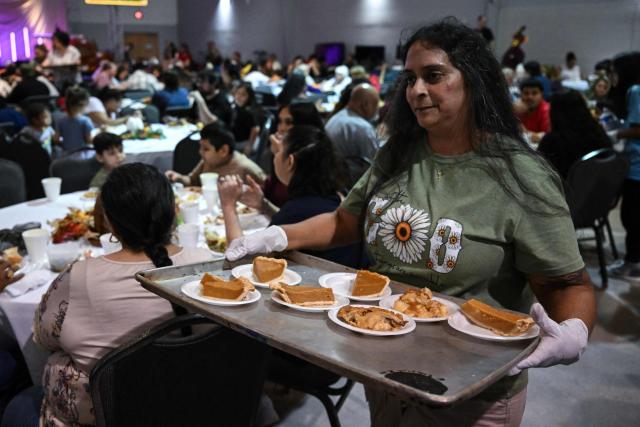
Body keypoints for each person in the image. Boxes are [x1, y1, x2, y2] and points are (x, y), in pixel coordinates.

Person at [225, 18, 596, 426]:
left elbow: (567, 283)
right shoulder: (398, 154)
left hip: (471, 391)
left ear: (474, 80)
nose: (417, 91)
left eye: (434, 76)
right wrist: (275, 235)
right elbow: (344, 221)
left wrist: (574, 331)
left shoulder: (520, 174)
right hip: (384, 369)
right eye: (410, 79)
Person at [4, 163, 214, 426]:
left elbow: (43, 337)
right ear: (175, 211)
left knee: (19, 404)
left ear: (110, 223)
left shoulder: (80, 276)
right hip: (194, 404)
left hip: (113, 413)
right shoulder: (207, 264)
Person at [219, 125, 359, 267]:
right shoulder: (337, 193)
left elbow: (239, 259)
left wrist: (228, 204)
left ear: (290, 162)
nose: (275, 156)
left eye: (278, 151)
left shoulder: (298, 208)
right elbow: (295, 223)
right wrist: (264, 205)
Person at [607, 52, 640, 281]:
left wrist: (616, 133)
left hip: (637, 167)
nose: (612, 76)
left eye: (615, 72)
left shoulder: (636, 91)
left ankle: (632, 264)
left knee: (632, 216)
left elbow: (638, 128)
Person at [263, 102, 326, 209]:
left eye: (289, 122)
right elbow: (270, 193)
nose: (281, 128)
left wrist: (281, 156)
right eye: (280, 121)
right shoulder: (281, 151)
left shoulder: (315, 160)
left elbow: (293, 208)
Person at [165, 122, 265, 187]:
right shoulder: (207, 161)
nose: (200, 152)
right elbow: (192, 180)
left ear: (223, 151)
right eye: (200, 147)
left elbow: (264, 197)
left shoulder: (246, 168)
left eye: (206, 149)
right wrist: (179, 178)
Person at [538, 91, 611, 178]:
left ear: (555, 113)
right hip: (597, 188)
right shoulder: (598, 133)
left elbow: (540, 169)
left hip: (564, 189)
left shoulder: (553, 141)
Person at [325, 83, 380, 187]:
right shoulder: (362, 128)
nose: (377, 109)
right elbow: (377, 165)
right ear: (365, 105)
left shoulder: (337, 117)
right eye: (376, 104)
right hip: (349, 186)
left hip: (333, 181)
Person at [55, 86, 93, 152]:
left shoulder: (60, 120)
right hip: (82, 155)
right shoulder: (86, 121)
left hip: (66, 154)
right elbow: (89, 141)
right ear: (83, 103)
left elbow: (56, 139)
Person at [516, 78, 550, 143]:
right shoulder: (517, 108)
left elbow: (546, 138)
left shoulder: (547, 110)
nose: (530, 97)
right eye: (526, 93)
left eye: (534, 93)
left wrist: (519, 125)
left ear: (542, 94)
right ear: (520, 95)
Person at [230, 82, 260, 154]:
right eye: (238, 93)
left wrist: (249, 146)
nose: (239, 96)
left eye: (243, 95)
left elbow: (255, 129)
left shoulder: (248, 111)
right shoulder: (235, 107)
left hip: (244, 141)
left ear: (249, 97)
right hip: (235, 139)